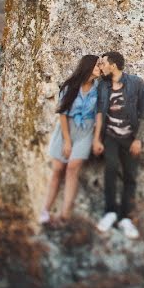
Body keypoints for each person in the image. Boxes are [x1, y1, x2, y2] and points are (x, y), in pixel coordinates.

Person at [39, 54, 103, 225]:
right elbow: (62, 114)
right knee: (58, 169)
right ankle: (44, 211)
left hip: (86, 130)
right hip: (66, 129)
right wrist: (67, 141)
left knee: (72, 168)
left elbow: (99, 114)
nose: (100, 68)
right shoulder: (70, 86)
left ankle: (65, 214)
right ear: (89, 67)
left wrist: (97, 138)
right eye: (98, 65)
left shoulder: (99, 88)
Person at [93, 51, 144, 239]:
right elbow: (99, 112)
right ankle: (110, 212)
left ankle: (125, 217)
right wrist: (97, 139)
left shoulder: (136, 83)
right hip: (110, 136)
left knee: (130, 176)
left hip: (130, 137)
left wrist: (138, 139)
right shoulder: (102, 85)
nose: (101, 67)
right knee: (110, 170)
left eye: (103, 63)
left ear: (114, 65)